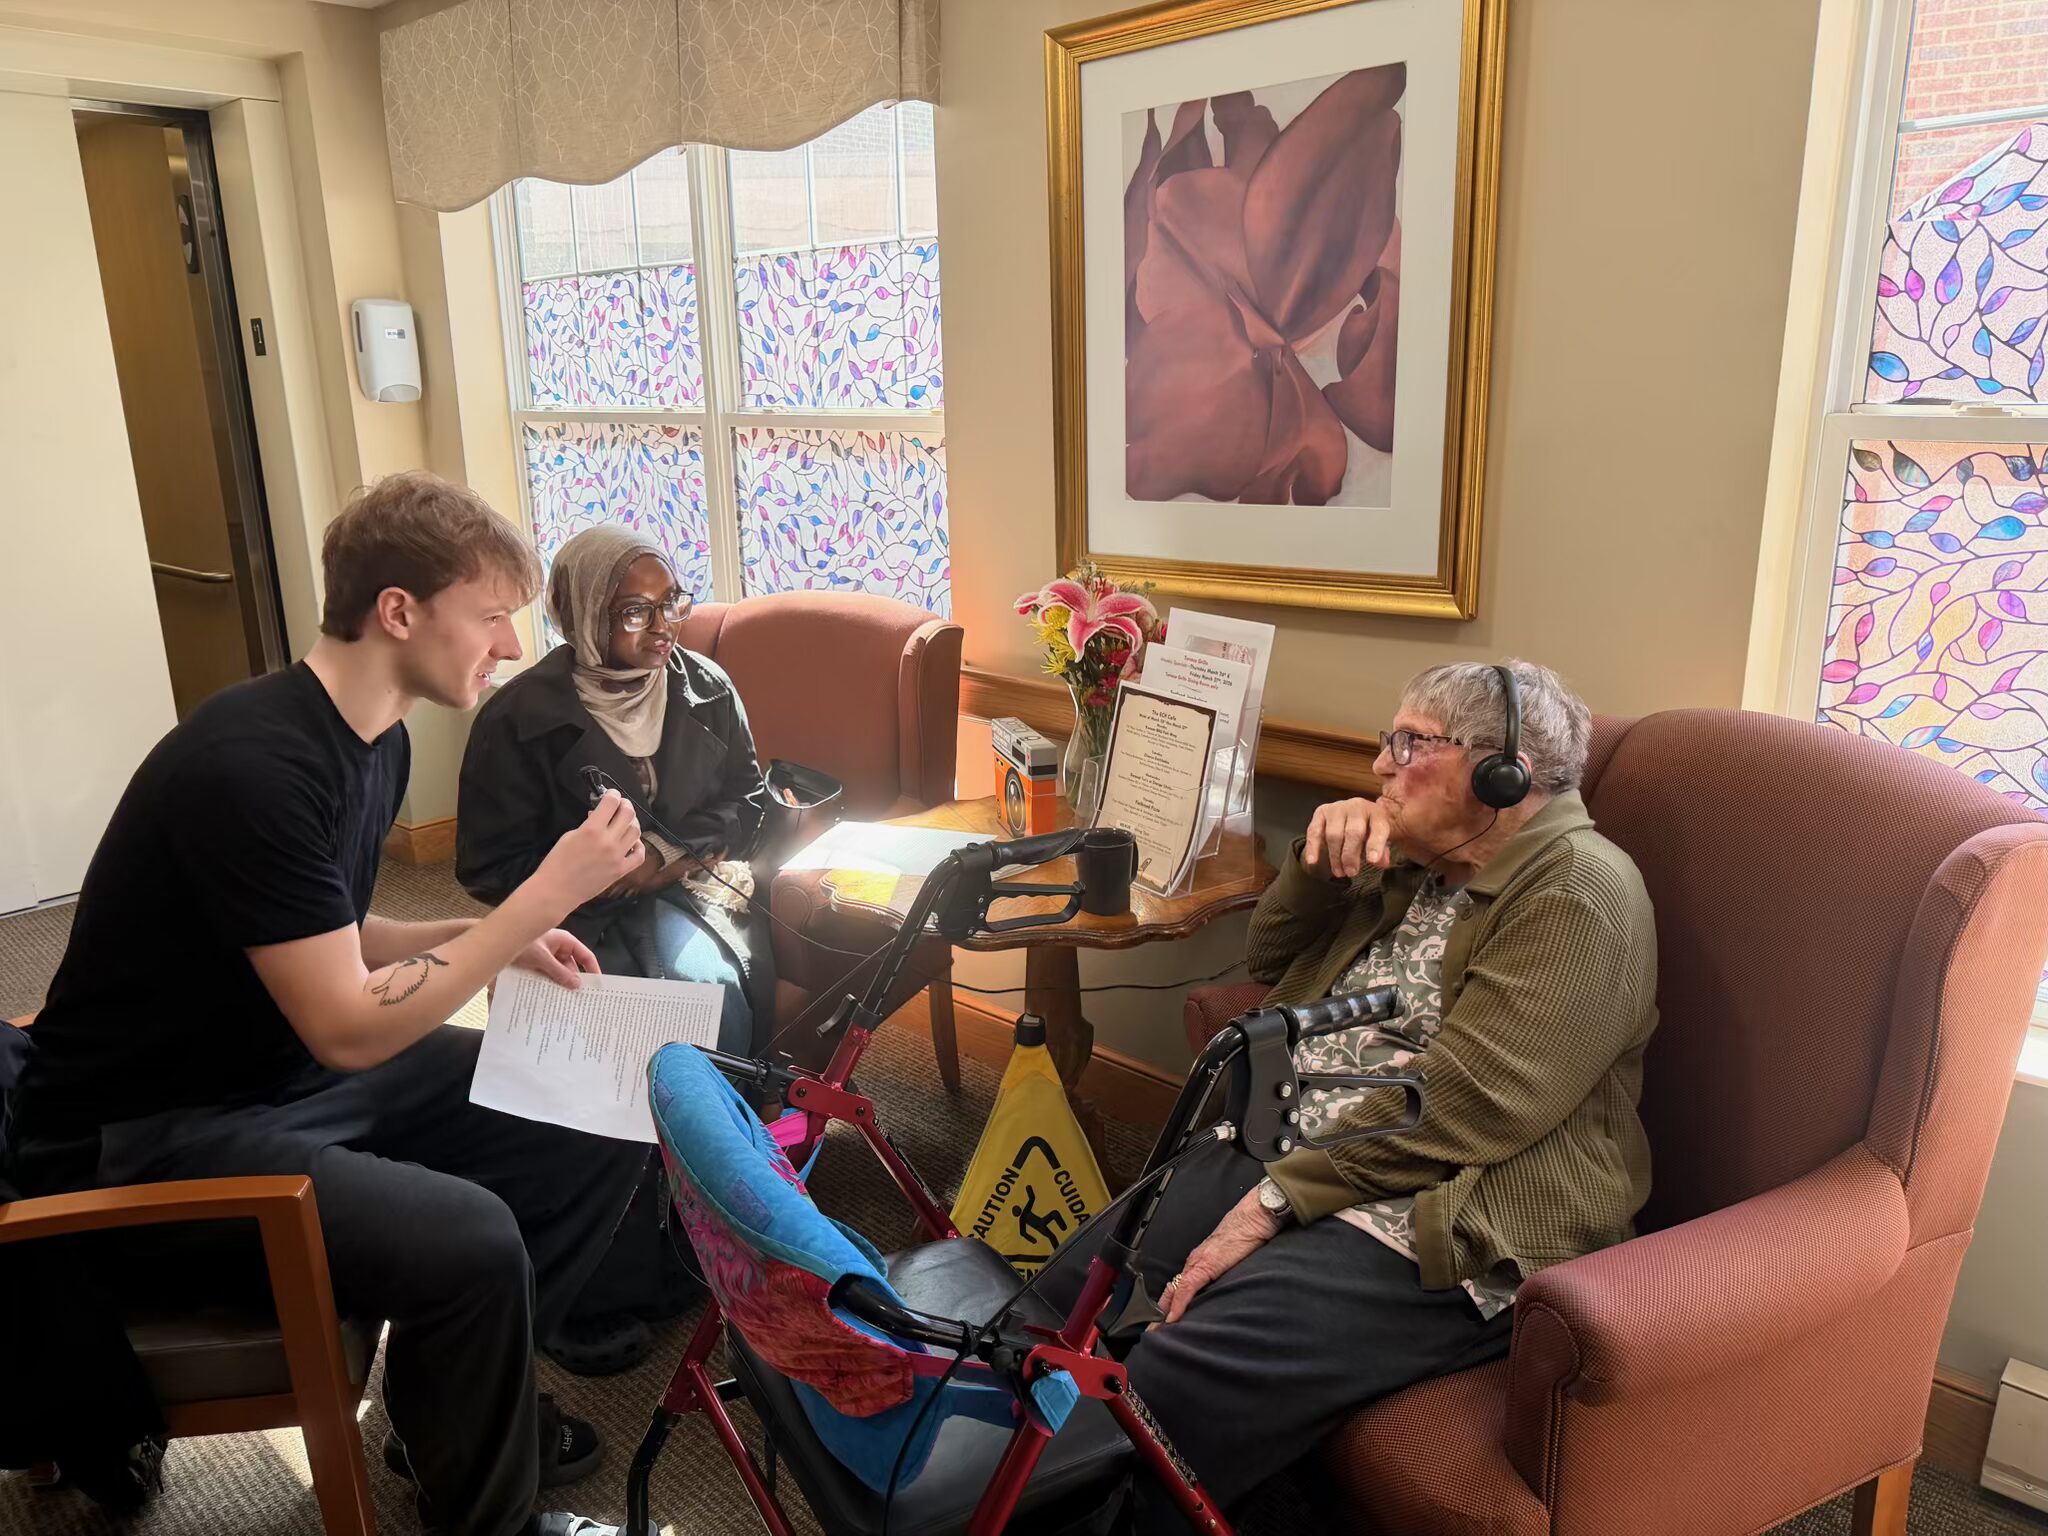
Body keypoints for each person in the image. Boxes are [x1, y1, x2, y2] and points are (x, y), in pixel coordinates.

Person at [3, 472, 657, 1536]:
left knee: (591, 1106)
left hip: (271, 1077)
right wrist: (534, 898)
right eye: (491, 616)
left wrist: (483, 938)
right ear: (398, 611)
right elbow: (347, 1025)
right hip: (145, 1141)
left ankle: (440, 1405)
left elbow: (340, 941)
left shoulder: (373, 738)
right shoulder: (251, 768)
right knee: (472, 1240)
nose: (505, 645)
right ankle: (485, 1519)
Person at [1064, 659, 1658, 1533]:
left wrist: (1272, 1202)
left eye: (1411, 744)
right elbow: (1270, 956)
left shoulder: (1580, 893)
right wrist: (1315, 862)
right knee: (1069, 1296)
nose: (1380, 766)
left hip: (1451, 1206)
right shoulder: (1418, 857)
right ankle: (976, 1478)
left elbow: (1466, 1106)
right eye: (1390, 740)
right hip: (1299, 1147)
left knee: (1167, 1381)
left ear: (1505, 772)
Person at [456, 526, 771, 1057]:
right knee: (598, 1026)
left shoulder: (707, 688)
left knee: (706, 987)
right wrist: (591, 875)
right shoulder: (515, 718)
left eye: (671, 603)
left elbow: (753, 805)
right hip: (573, 914)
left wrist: (663, 855)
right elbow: (487, 866)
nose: (662, 627)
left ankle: (724, 1128)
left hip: (690, 888)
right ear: (582, 614)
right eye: (634, 611)